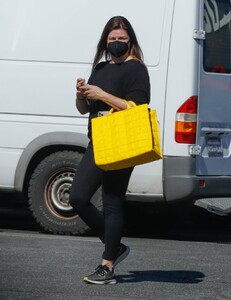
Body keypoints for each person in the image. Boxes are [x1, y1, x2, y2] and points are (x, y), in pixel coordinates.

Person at [69, 16, 150, 285]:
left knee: (112, 202)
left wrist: (102, 95)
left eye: (122, 40)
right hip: (99, 141)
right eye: (112, 39)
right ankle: (114, 244)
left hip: (122, 144)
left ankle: (107, 265)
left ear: (131, 42)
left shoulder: (136, 69)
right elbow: (84, 110)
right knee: (77, 197)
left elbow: (137, 108)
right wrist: (82, 95)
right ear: (106, 40)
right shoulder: (101, 68)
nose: (116, 43)